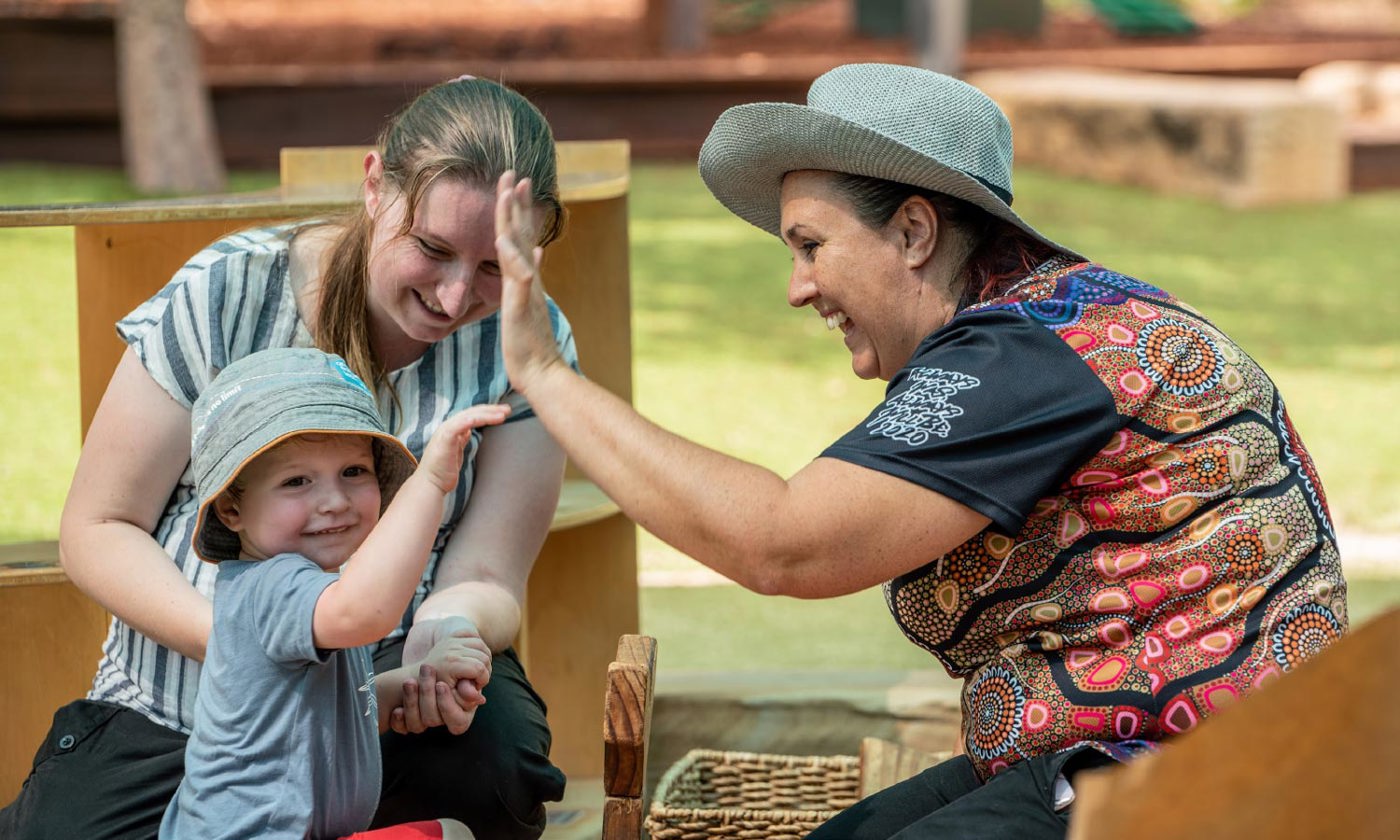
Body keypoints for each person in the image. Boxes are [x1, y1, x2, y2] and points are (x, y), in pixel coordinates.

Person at [493, 63, 1348, 838]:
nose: (797, 289)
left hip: (1203, 783)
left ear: (912, 234)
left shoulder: (1026, 355)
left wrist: (544, 373)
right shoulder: (1046, 324)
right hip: (1146, 755)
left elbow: (785, 545)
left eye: (810, 246)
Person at [1, 76, 572, 840]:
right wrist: (252, 653)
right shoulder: (228, 290)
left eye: (496, 266)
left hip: (386, 698)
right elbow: (98, 526)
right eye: (432, 249)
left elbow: (487, 573)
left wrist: (450, 630)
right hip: (187, 708)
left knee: (500, 768)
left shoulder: (533, 337)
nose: (454, 294)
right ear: (376, 187)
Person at [161, 347, 506, 840]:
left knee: (452, 832)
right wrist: (430, 484)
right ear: (233, 510)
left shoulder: (313, 594)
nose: (334, 502)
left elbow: (336, 710)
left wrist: (419, 681)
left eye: (353, 472)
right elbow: (368, 612)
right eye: (296, 481)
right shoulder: (273, 587)